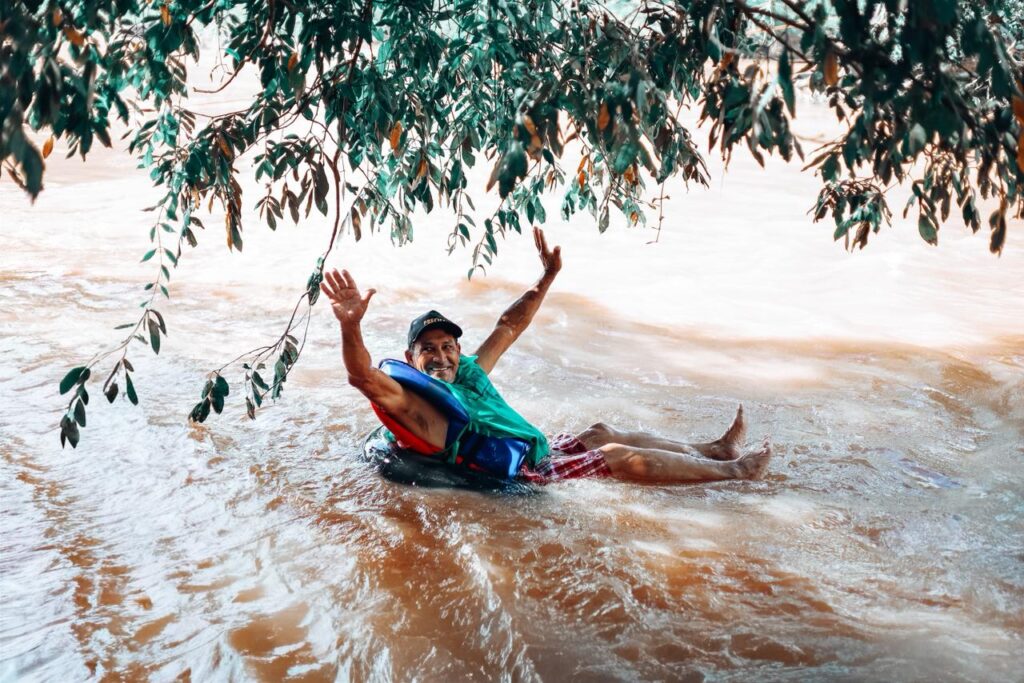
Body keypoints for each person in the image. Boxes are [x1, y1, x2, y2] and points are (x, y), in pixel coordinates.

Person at [320, 227, 771, 484]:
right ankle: (736, 472)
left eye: (447, 347)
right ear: (410, 357)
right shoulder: (413, 403)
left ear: (457, 349)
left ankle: (714, 450)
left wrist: (548, 276)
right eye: (428, 350)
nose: (441, 357)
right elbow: (363, 377)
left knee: (599, 432)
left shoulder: (467, 371)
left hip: (533, 450)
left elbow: (508, 327)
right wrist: (350, 324)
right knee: (614, 454)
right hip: (523, 474)